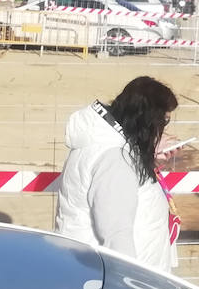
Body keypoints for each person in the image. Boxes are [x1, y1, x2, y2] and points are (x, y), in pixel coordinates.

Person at [56, 76, 179, 270]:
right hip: (119, 279)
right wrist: (130, 284)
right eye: (161, 123)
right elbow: (116, 233)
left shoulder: (104, 146)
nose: (162, 130)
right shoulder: (114, 159)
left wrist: (147, 156)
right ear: (147, 122)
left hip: (90, 270)